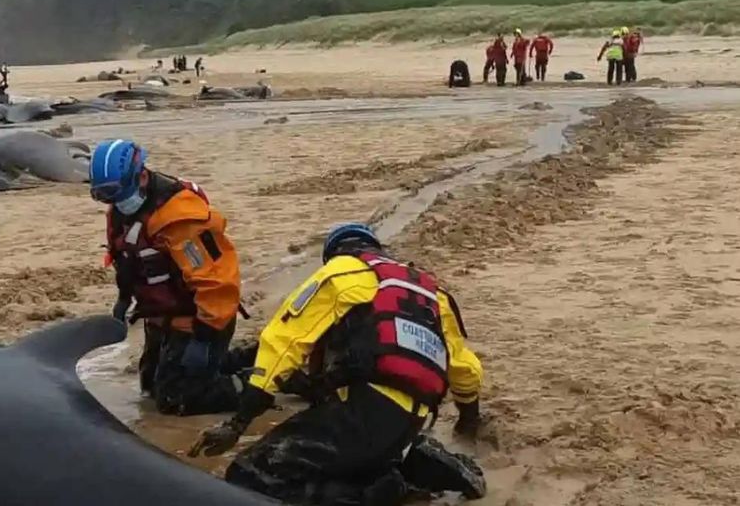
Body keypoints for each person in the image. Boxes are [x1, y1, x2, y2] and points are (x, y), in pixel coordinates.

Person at [190, 223, 486, 506]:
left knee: (251, 475)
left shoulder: (338, 273)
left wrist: (238, 423)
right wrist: (468, 421)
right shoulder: (433, 294)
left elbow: (283, 341)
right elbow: (466, 370)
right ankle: (406, 459)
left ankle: (390, 487)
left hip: (363, 409)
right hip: (412, 418)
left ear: (333, 254)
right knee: (347, 459)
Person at [90, 139, 245, 416]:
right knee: (150, 387)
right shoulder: (120, 211)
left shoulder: (179, 219)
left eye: (115, 193)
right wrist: (124, 299)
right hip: (161, 316)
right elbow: (126, 260)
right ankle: (231, 362)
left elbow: (216, 280)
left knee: (177, 399)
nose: (112, 201)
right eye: (103, 195)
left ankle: (255, 384)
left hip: (200, 318)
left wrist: (205, 335)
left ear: (143, 176)